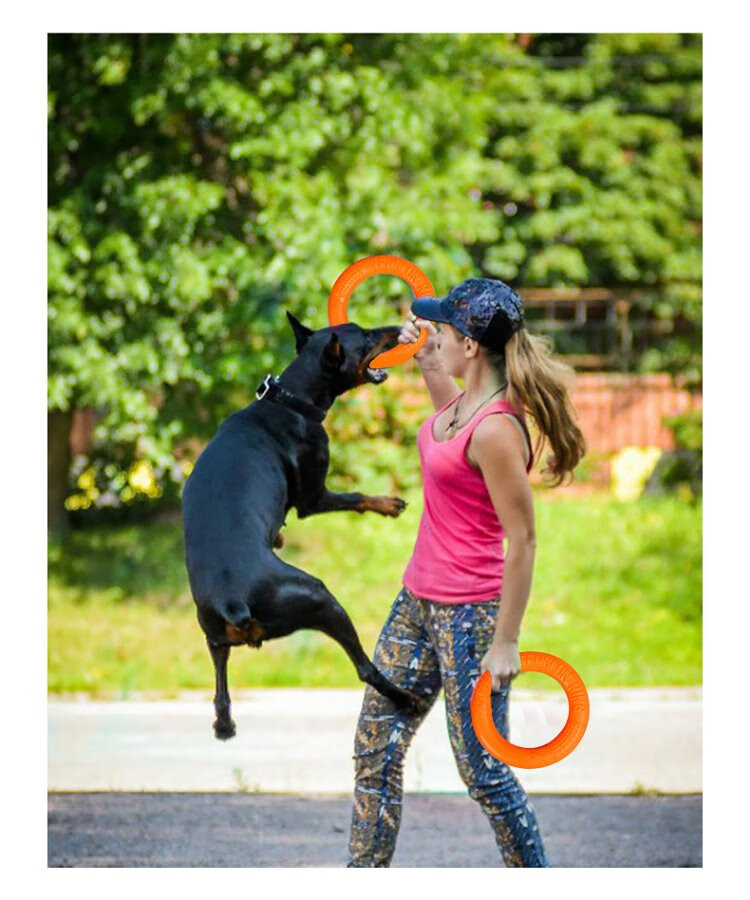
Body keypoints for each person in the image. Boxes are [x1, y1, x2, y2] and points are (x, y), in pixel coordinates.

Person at [346, 277, 587, 867]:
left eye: (445, 331)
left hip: (470, 616)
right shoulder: (462, 407)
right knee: (375, 749)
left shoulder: (498, 429)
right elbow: (449, 436)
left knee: (483, 771)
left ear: (472, 345)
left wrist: (506, 642)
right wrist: (429, 360)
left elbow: (523, 540)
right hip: (416, 601)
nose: (436, 334)